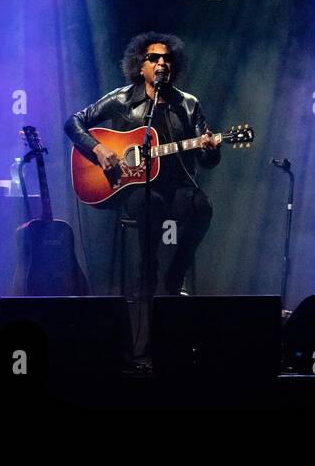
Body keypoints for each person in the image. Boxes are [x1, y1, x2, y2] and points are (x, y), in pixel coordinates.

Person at [64, 31, 221, 296]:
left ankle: (176, 274)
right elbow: (74, 122)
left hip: (177, 187)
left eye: (167, 58)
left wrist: (211, 149)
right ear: (141, 65)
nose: (162, 63)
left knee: (202, 207)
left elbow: (207, 162)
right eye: (154, 58)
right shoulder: (121, 99)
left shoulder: (188, 105)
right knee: (149, 203)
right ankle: (147, 274)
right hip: (134, 188)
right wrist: (98, 148)